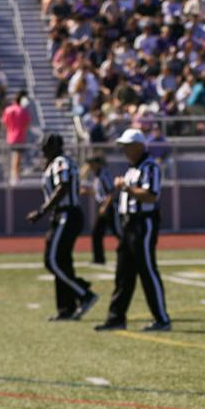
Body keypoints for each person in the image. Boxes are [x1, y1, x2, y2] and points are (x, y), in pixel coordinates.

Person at [95, 128, 170, 332]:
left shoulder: (150, 167)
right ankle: (116, 318)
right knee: (123, 273)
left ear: (139, 146)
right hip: (129, 224)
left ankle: (162, 319)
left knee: (147, 270)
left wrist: (126, 188)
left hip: (143, 223)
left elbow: (151, 195)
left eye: (127, 146)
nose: (124, 150)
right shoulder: (132, 168)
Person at [27, 134, 97, 322]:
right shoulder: (57, 163)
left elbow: (63, 186)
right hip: (63, 215)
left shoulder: (60, 162)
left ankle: (83, 293)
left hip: (66, 214)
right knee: (62, 261)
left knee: (52, 261)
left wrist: (42, 211)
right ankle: (66, 308)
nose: (42, 149)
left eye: (45, 145)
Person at [85, 156, 118, 265]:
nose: (90, 166)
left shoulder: (104, 174)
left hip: (110, 207)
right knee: (96, 233)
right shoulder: (96, 176)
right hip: (103, 206)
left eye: (91, 163)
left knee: (117, 232)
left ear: (98, 163)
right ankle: (99, 259)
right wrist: (86, 191)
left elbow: (111, 192)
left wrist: (105, 206)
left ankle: (131, 252)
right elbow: (98, 193)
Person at [2, 92, 33, 182]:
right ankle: (15, 176)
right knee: (16, 157)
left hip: (10, 136)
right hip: (19, 136)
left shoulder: (8, 110)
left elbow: (4, 122)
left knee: (15, 156)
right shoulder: (22, 111)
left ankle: (15, 175)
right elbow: (27, 123)